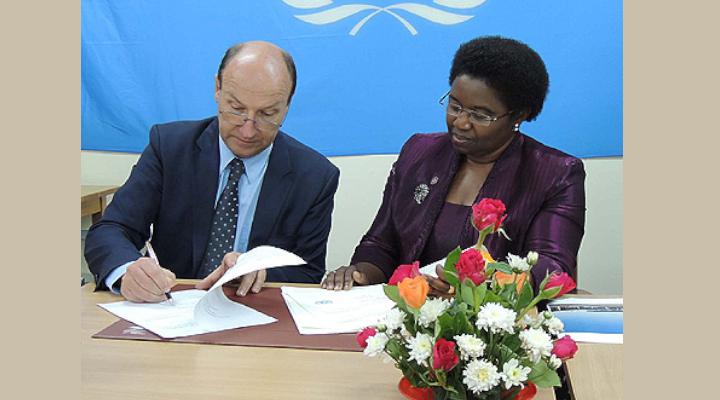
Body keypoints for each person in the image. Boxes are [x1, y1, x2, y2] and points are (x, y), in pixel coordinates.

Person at [322, 36, 585, 292]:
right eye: (455, 106)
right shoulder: (419, 152)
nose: (461, 122)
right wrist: (360, 273)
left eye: (480, 115)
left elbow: (553, 269)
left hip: (494, 325)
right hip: (411, 317)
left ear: (518, 115)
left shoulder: (555, 174)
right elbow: (382, 243)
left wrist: (477, 288)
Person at [85, 41, 340, 302]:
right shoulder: (170, 147)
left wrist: (259, 272)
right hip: (169, 308)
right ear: (217, 88)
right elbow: (111, 229)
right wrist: (128, 270)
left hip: (254, 316)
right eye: (237, 109)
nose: (248, 129)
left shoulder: (314, 176)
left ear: (287, 106)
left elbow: (308, 272)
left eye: (267, 114)